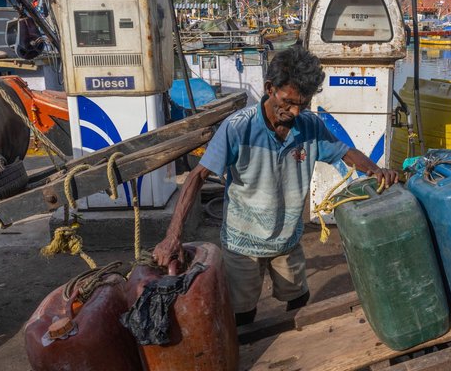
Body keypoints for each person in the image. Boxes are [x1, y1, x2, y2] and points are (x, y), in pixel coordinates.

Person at [153, 46, 399, 325]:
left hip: (287, 239)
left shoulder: (310, 125)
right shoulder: (237, 127)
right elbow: (197, 176)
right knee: (242, 313)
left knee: (299, 301)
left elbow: (344, 152)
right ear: (270, 89)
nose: (294, 112)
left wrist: (376, 170)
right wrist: (173, 235)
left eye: (302, 105)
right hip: (242, 243)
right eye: (288, 102)